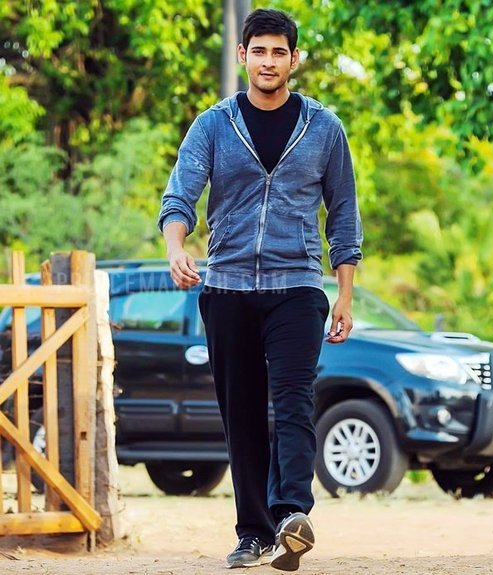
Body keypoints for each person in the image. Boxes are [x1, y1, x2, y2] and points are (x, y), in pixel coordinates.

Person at [158, 8, 362, 571]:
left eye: (279, 52)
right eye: (259, 51)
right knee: (242, 412)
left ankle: (292, 513)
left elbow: (343, 215)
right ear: (243, 55)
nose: (268, 61)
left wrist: (345, 294)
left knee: (294, 398)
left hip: (297, 285)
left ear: (294, 59)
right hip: (226, 288)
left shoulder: (324, 128)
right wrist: (176, 248)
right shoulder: (213, 125)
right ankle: (253, 533)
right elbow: (180, 197)